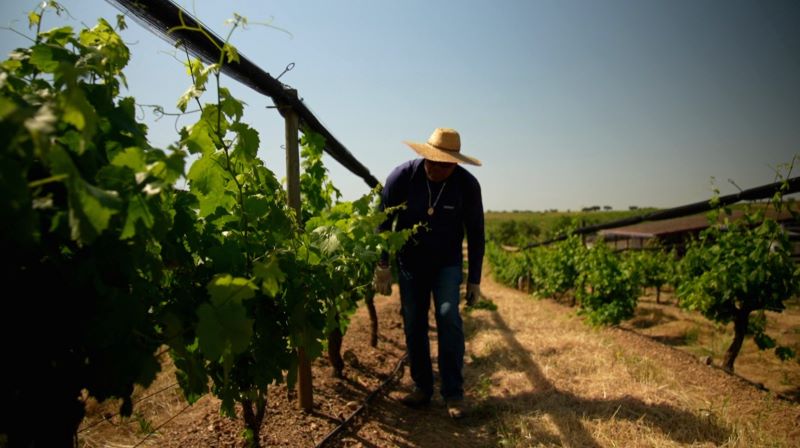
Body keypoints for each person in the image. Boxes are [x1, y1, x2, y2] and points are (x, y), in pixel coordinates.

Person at [373, 127, 484, 419]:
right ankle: (422, 387)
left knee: (448, 316)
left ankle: (453, 394)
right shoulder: (401, 178)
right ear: (425, 155)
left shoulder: (467, 185)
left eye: (445, 165)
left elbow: (476, 233)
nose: (437, 169)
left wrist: (474, 279)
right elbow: (383, 223)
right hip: (410, 263)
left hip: (447, 263)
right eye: (432, 161)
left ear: (456, 163)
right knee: (414, 322)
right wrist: (382, 264)